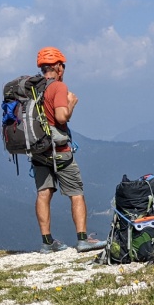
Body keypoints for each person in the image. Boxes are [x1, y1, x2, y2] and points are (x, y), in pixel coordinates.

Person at [30, 47, 105, 253]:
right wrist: (71, 104)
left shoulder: (33, 88)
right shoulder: (58, 88)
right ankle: (82, 239)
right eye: (63, 65)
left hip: (38, 150)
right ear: (58, 67)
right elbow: (62, 117)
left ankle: (47, 243)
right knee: (76, 193)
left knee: (43, 193)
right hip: (59, 150)